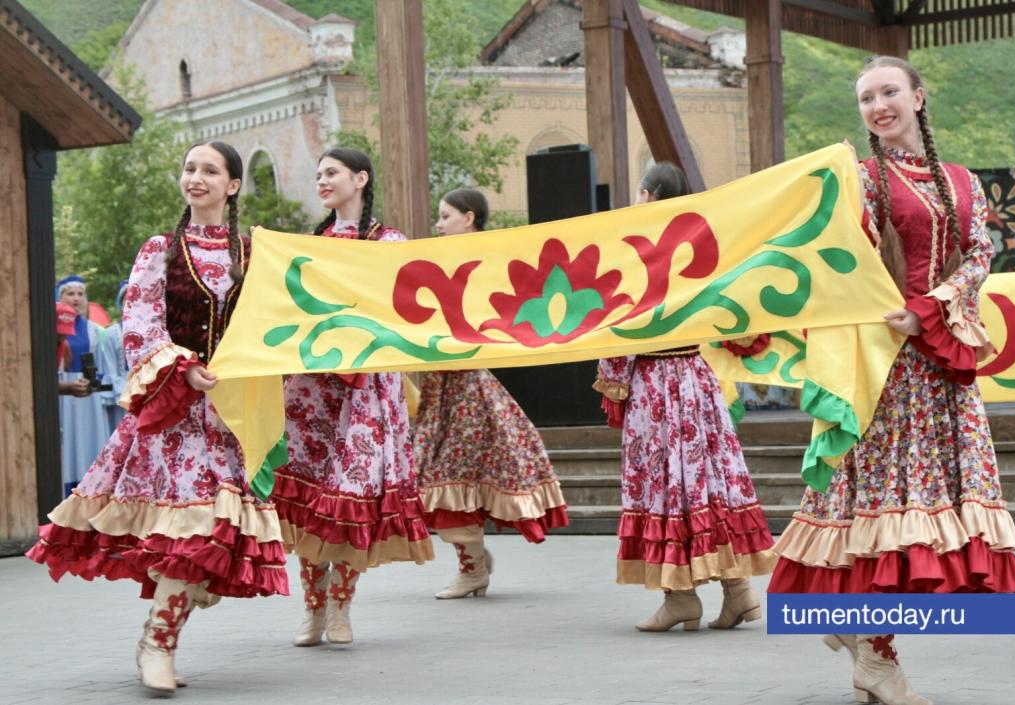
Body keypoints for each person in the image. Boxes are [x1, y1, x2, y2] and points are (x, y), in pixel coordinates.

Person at [767, 56, 1015, 705]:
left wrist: (930, 307)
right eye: (865, 98)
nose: (878, 105)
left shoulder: (964, 183)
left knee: (923, 523)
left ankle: (862, 639)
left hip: (943, 366)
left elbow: (978, 256)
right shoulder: (861, 180)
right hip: (883, 368)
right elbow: (827, 253)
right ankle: (875, 655)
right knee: (888, 516)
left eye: (888, 92)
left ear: (918, 95)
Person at [28, 141, 288, 694]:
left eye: (210, 171)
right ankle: (158, 642)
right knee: (188, 531)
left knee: (210, 539)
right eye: (190, 168)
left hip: (232, 417)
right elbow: (139, 324)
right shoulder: (160, 251)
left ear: (232, 186)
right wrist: (183, 368)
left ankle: (160, 633)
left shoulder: (253, 254)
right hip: (175, 412)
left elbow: (277, 323)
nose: (196, 178)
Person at [594, 162, 776, 633]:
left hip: (655, 383)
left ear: (649, 195)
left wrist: (612, 376)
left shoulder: (637, 254)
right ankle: (739, 592)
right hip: (696, 377)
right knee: (709, 480)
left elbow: (622, 324)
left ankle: (680, 596)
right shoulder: (701, 250)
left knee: (666, 483)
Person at [270, 148, 433, 647]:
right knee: (310, 501)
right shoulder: (307, 244)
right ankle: (312, 611)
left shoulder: (389, 242)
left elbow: (398, 307)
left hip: (364, 388)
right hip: (312, 387)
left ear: (360, 179)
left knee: (350, 496)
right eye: (318, 175)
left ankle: (341, 607)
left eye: (332, 173)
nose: (322, 181)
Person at [414, 188, 569, 600]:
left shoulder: (490, 260)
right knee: (436, 474)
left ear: (469, 217)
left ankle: (472, 567)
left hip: (468, 385)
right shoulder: (435, 261)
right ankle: (474, 561)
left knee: (449, 472)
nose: (439, 224)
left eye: (446, 216)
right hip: (441, 383)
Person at [55, 275, 110, 495]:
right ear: (60, 298)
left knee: (90, 440)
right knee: (66, 441)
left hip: (88, 393)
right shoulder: (50, 329)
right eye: (70, 294)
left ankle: (92, 489)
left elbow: (102, 364)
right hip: (63, 392)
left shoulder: (94, 330)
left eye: (80, 294)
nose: (76, 299)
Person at [99, 279, 130, 433]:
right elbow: (110, 368)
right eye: (127, 298)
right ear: (120, 304)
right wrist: (123, 393)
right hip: (122, 390)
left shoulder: (151, 332)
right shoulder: (113, 333)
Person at [56, 302, 91, 397]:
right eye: (59, 332)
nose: (63, 337)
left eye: (66, 332)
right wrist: (69, 388)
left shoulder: (63, 345)